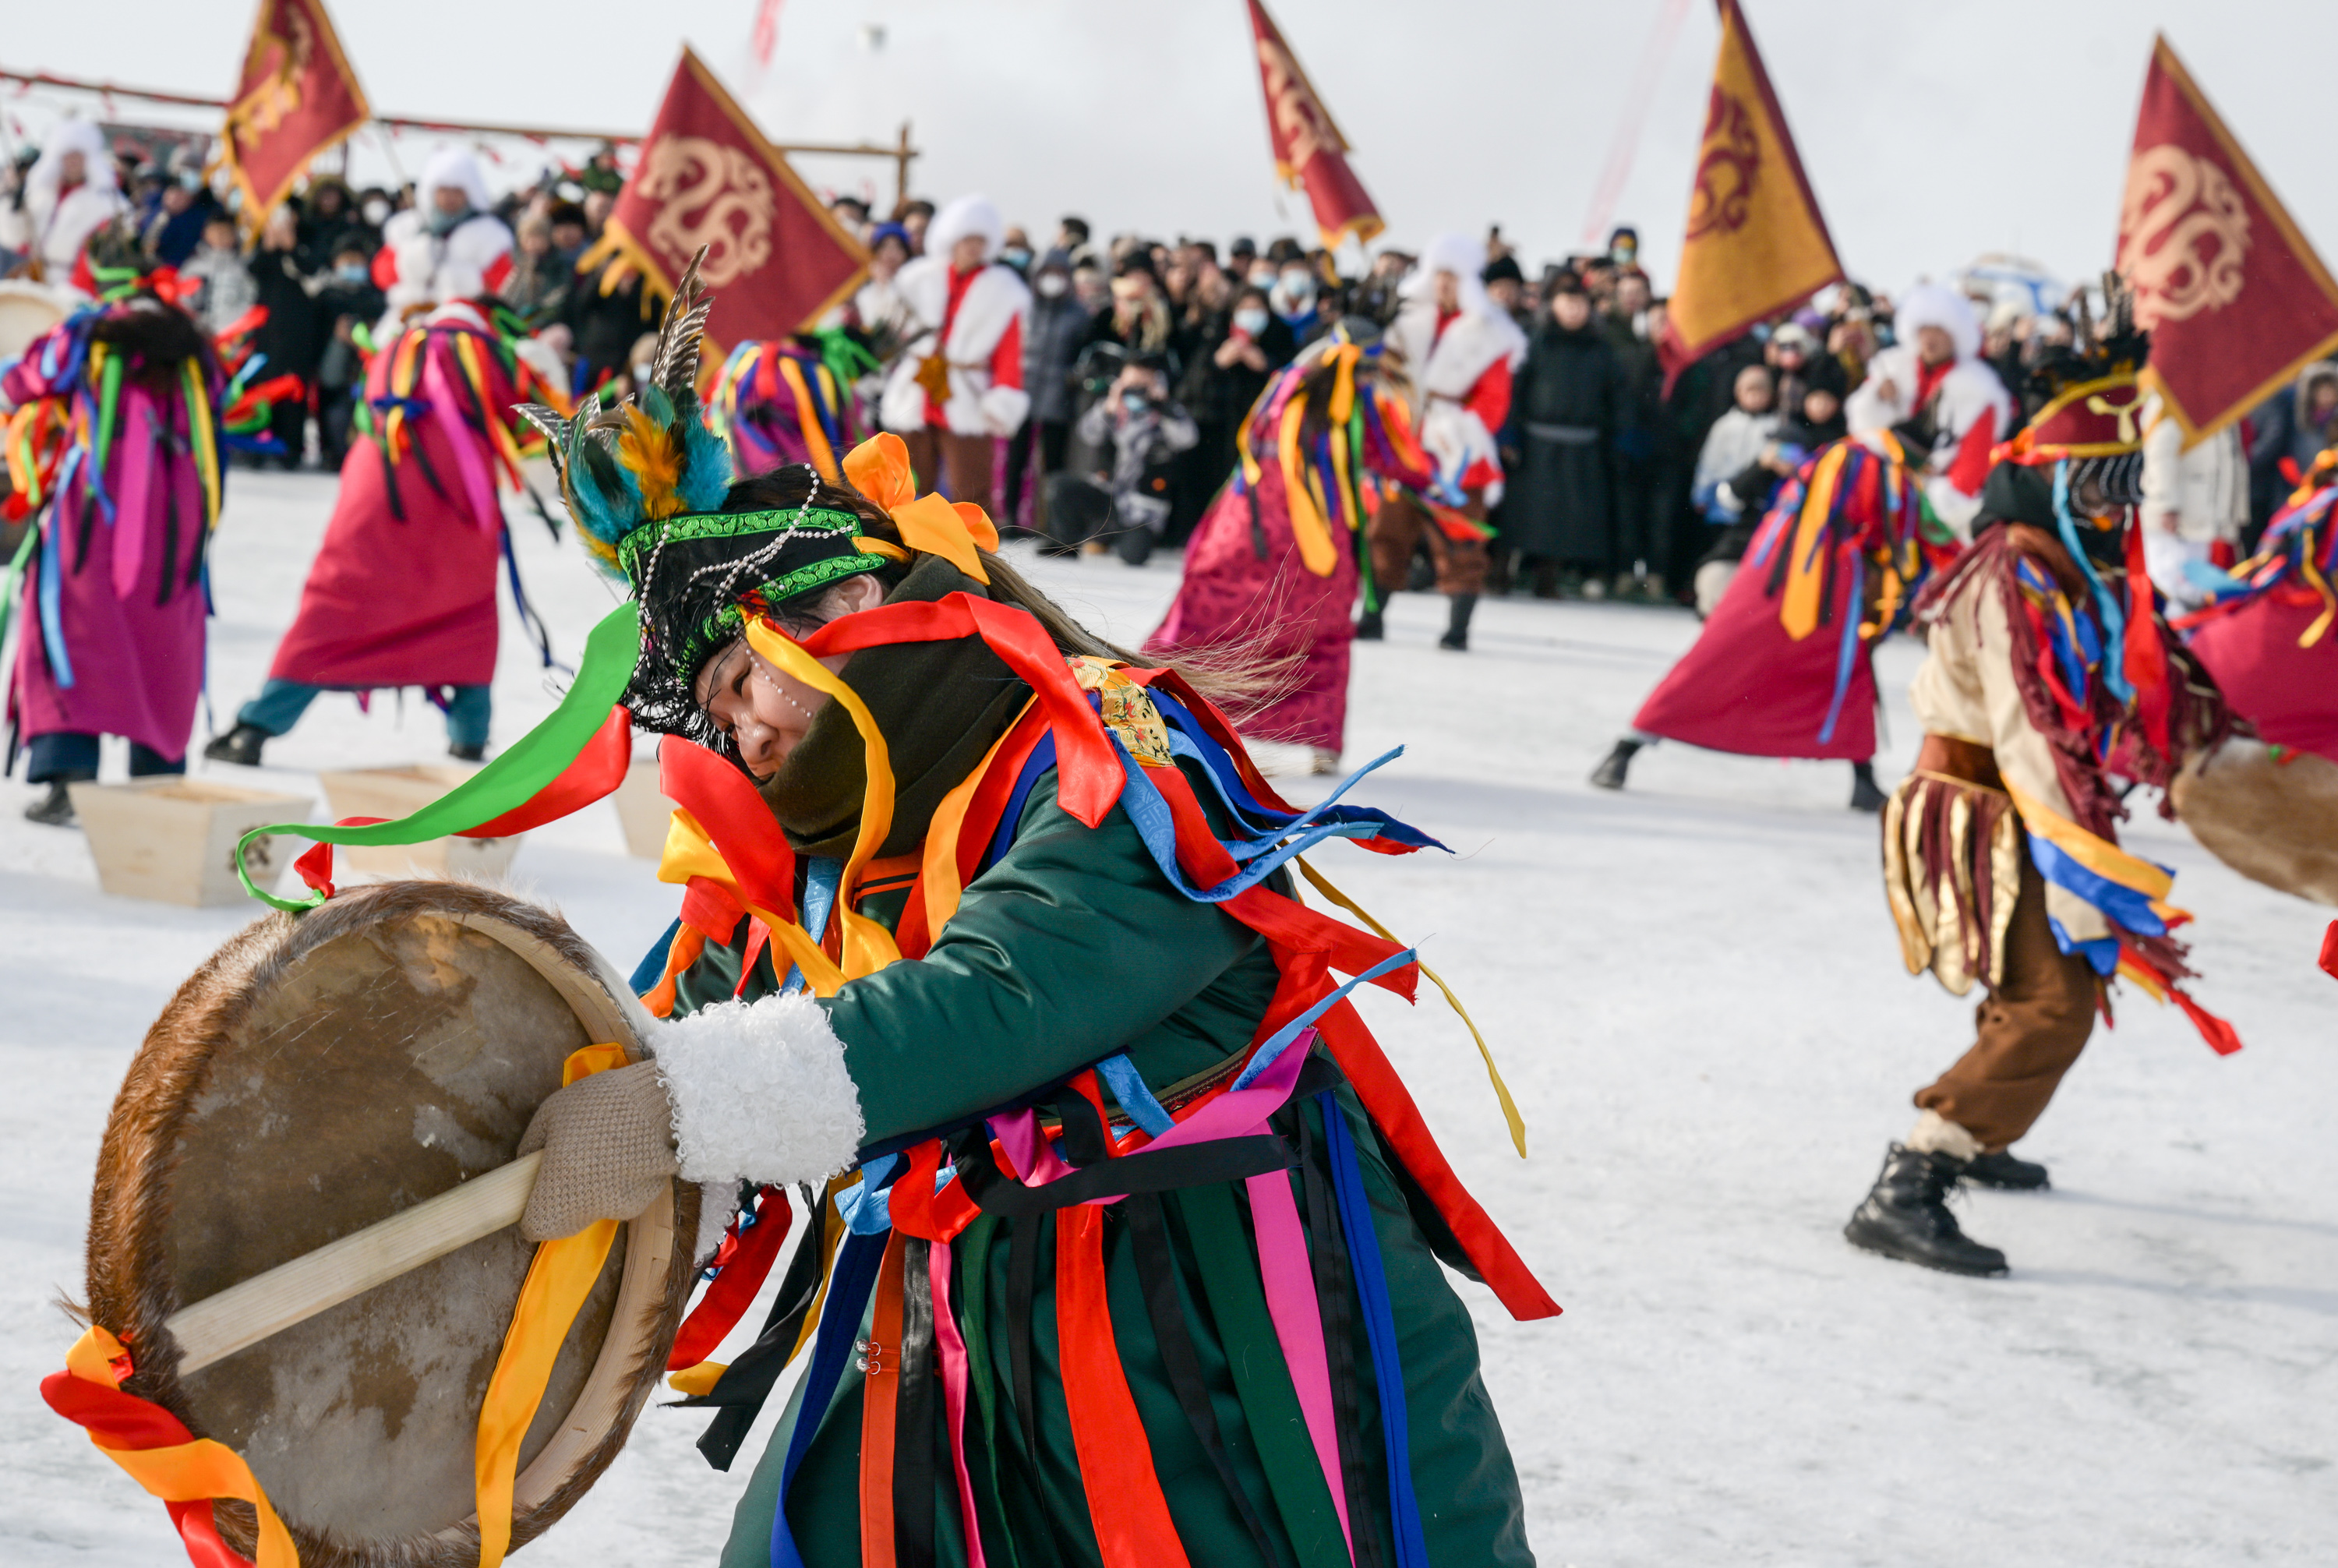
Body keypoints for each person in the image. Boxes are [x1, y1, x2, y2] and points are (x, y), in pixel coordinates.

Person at [498, 271, 1553, 1563]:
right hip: (947, 1327)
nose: (744, 737)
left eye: (741, 683)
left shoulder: (1113, 748)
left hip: (1212, 1332)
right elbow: (674, 1022)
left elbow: (1006, 990)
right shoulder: (834, 846)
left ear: (839, 607)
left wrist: (676, 1104)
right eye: (717, 720)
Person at [1845, 297, 2237, 1277]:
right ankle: (1914, 1176)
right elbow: (2031, 731)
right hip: (1990, 802)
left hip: (2024, 798)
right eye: (2098, 488)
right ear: (2054, 483)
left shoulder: (2065, 566)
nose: (2115, 510)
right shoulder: (2011, 578)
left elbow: (2121, 676)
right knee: (2056, 993)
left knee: (2039, 983)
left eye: (2123, 488)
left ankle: (1984, 1128)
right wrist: (2085, 855)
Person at [204, 294, 547, 767]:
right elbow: (530, 424)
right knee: (465, 613)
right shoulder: (487, 352)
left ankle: (255, 727)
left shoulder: (397, 347)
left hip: (376, 490)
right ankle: (470, 736)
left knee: (338, 605)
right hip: (455, 503)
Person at [1591, 365, 1945, 811]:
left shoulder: (1851, 455)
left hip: (1811, 579)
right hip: (1803, 580)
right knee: (1740, 660)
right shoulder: (1867, 463)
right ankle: (1628, 745)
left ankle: (1862, 777)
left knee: (1836, 672)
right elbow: (1894, 532)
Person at [4, 238, 224, 825]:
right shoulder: (193, 343)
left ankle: (68, 777)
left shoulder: (83, 335)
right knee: (162, 636)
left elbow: (28, 380)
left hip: (96, 507)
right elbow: (219, 404)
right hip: (176, 511)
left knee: (76, 629)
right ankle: (156, 780)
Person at [1152, 326, 1432, 771]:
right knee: (1319, 630)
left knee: (1212, 612)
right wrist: (1431, 475)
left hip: (1246, 526)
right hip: (1314, 538)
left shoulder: (1284, 386)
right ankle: (1321, 742)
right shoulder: (1358, 405)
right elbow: (1396, 459)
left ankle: (1164, 706)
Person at [1359, 233, 1527, 652]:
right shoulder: (1408, 326)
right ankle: (1373, 617)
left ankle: (1457, 629)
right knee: (1387, 532)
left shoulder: (1491, 334)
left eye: (1453, 277)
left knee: (1461, 537)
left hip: (1458, 447)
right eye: (1439, 276)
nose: (1445, 285)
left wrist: (1455, 427)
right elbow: (1385, 382)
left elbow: (1493, 399)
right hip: (1405, 441)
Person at [878, 193, 1030, 509]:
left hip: (967, 394)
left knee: (971, 490)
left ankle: (975, 556)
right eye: (967, 239)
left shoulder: (1003, 289)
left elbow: (1009, 352)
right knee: (907, 487)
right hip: (917, 386)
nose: (973, 247)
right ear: (952, 238)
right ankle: (904, 549)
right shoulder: (919, 277)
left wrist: (1003, 396)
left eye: (980, 240)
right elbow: (886, 326)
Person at [1843, 282, 2014, 541]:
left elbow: (1970, 471)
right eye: (1924, 330)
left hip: (1933, 509)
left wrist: (1922, 500)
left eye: (1939, 330)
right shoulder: (1890, 367)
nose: (1930, 338)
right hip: (1877, 488)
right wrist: (1876, 397)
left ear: (1956, 335)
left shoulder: (1978, 391)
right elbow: (1861, 428)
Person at [1499, 271, 1621, 599]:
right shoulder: (1533, 341)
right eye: (1567, 303)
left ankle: (1548, 577)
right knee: (1522, 513)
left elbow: (1616, 398)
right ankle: (1501, 572)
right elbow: (1515, 391)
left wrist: (1616, 441)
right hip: (1536, 441)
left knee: (1566, 518)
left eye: (1580, 304)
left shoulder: (1601, 348)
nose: (1574, 311)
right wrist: (1508, 436)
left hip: (1581, 444)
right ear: (1553, 306)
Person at [1694, 357, 1849, 612]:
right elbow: (1729, 497)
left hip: (1791, 562)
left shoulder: (1812, 482)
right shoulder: (1762, 474)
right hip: (1743, 552)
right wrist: (1760, 466)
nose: (1784, 460)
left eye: (1793, 454)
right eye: (1780, 451)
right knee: (1715, 580)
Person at [1062, 355, 1196, 564]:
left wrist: (1163, 406)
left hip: (1143, 506)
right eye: (1131, 384)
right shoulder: (1113, 408)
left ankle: (1119, 538)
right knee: (1060, 486)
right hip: (1108, 493)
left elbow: (1188, 439)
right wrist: (1110, 404)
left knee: (1134, 555)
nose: (1136, 391)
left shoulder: (1166, 411)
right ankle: (1065, 544)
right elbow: (1087, 433)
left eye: (1142, 385)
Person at [371, 147, 514, 339]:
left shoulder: (490, 234)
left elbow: (504, 283)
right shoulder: (408, 226)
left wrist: (460, 279)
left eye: (457, 191)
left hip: (465, 326)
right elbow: (381, 273)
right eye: (444, 190)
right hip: (406, 320)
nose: (449, 198)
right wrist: (415, 259)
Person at [1004, 247, 1091, 531]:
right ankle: (1010, 518)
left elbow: (1084, 355)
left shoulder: (1078, 315)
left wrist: (1073, 378)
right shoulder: (1024, 308)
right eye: (1047, 273)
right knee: (1016, 460)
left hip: (1058, 398)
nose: (1052, 279)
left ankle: (1052, 525)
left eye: (1059, 274)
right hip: (1022, 393)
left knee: (1053, 464)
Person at [2136, 390, 2247, 609]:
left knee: (2192, 588)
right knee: (2170, 586)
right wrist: (2166, 503)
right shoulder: (2174, 399)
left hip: (2199, 513)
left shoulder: (2213, 400)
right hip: (2176, 516)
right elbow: (2159, 453)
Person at [0, 121, 125, 288]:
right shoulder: (43, 194)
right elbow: (17, 240)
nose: (72, 162)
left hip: (76, 282)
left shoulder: (106, 201)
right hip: (35, 276)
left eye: (77, 156)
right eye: (67, 156)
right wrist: (13, 207)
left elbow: (106, 251)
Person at [245, 204, 324, 468]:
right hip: (266, 330)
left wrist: (291, 247)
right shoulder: (261, 245)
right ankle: (257, 447)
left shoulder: (308, 243)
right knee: (261, 387)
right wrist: (268, 245)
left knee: (293, 390)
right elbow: (253, 272)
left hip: (297, 333)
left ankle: (290, 450)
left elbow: (315, 275)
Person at [312, 242, 384, 469]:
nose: (353, 266)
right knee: (335, 415)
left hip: (367, 368)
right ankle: (332, 453)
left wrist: (366, 335)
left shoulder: (376, 297)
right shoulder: (326, 297)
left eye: (358, 261)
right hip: (333, 372)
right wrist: (338, 336)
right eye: (348, 261)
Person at [179, 212, 256, 337]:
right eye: (214, 231)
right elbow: (182, 301)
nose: (220, 236)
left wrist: (231, 327)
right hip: (195, 334)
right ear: (205, 234)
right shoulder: (193, 267)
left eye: (225, 232)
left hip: (233, 335)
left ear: (235, 236)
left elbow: (250, 300)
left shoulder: (244, 268)